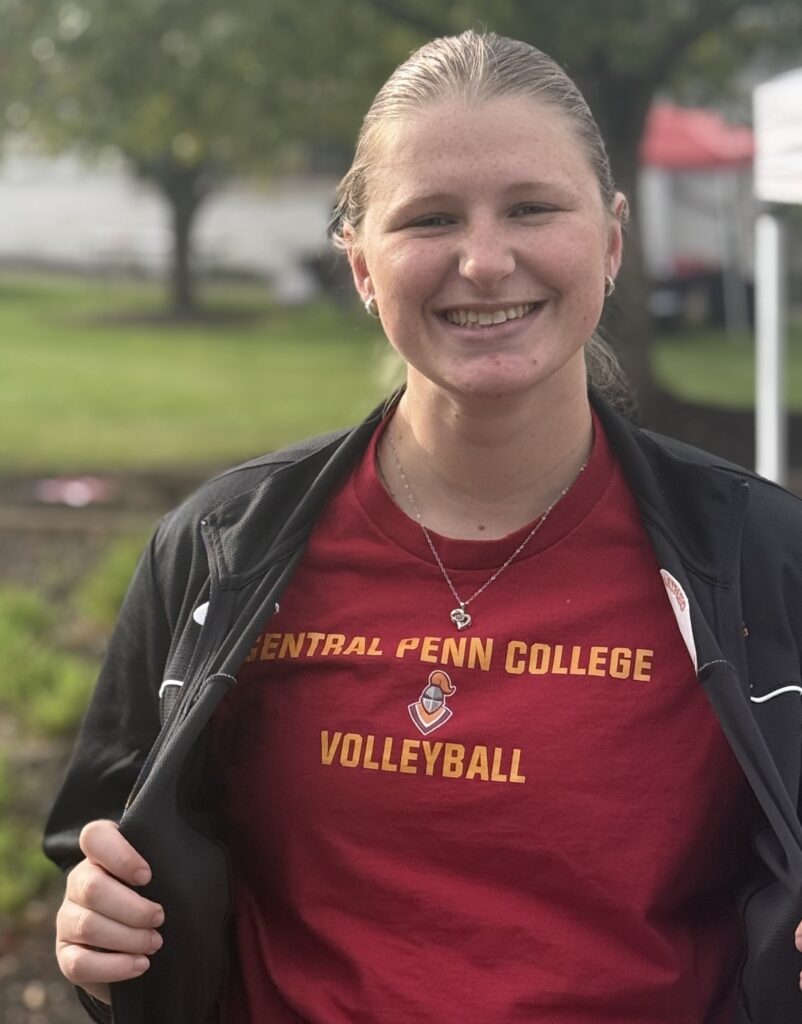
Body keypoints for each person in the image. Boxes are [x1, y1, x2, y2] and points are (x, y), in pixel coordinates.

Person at [44, 29, 802, 1024]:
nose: (484, 261)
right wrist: (101, 936)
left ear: (612, 239)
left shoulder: (761, 555)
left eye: (531, 208)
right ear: (360, 265)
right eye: (429, 219)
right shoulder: (218, 547)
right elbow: (106, 854)